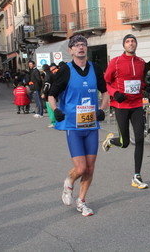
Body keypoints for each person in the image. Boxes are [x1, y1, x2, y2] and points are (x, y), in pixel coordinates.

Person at [48, 34, 109, 216]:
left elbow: (105, 92)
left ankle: (81, 201)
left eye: (83, 45)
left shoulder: (95, 68)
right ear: (71, 50)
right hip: (73, 126)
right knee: (81, 168)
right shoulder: (65, 70)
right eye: (77, 45)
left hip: (91, 125)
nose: (81, 48)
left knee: (90, 168)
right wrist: (55, 110)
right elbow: (52, 94)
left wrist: (102, 109)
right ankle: (69, 181)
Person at [102, 34, 150, 189]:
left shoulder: (141, 62)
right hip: (121, 106)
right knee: (124, 143)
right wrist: (114, 93)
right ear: (124, 45)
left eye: (133, 41)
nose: (131, 43)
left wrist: (146, 87)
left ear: (136, 44)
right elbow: (106, 81)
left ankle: (136, 176)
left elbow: (139, 82)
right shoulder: (115, 61)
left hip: (137, 105)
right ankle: (111, 141)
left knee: (139, 139)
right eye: (128, 41)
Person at [41, 64, 56, 128]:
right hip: (53, 93)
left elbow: (47, 85)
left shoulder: (47, 75)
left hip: (48, 94)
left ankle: (53, 122)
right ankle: (55, 121)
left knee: (50, 108)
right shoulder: (51, 74)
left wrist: (44, 93)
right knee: (53, 107)